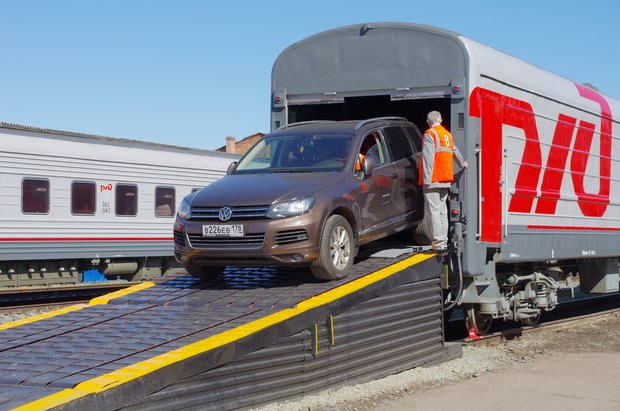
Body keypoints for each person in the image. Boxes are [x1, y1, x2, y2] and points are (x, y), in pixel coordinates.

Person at [418, 111, 468, 251]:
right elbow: (455, 150)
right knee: (442, 211)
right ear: (441, 120)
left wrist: (427, 179)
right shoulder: (447, 135)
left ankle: (438, 242)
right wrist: (463, 162)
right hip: (445, 179)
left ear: (428, 121)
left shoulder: (430, 134)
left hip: (433, 179)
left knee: (433, 211)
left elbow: (428, 158)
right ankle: (443, 241)